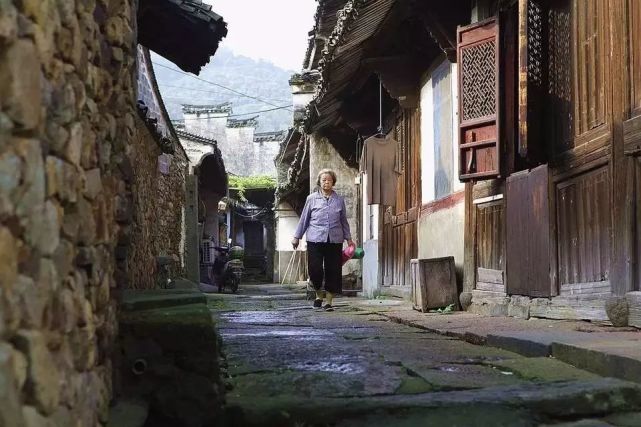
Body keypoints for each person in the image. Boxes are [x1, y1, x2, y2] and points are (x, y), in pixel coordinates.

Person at [292, 169, 354, 311]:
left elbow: (343, 221)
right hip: (315, 239)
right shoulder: (311, 199)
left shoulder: (339, 200)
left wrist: (349, 239)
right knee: (315, 270)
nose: (326, 182)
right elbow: (304, 219)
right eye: (324, 180)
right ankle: (319, 295)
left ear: (333, 182)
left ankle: (329, 302)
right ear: (319, 182)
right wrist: (297, 237)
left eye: (329, 180)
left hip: (334, 240)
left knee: (333, 270)